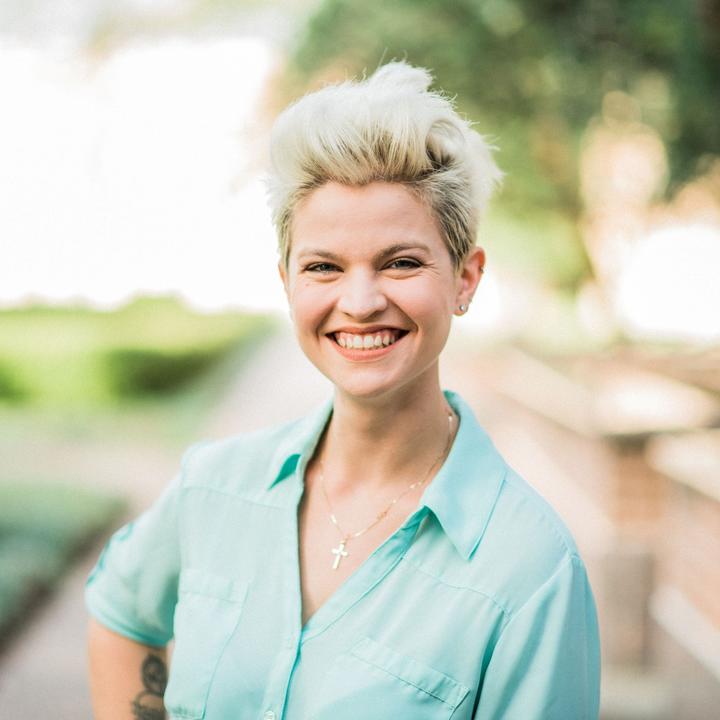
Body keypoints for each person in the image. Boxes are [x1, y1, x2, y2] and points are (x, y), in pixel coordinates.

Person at [86, 61, 600, 719]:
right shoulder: (212, 487)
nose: (359, 302)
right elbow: (121, 613)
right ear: (287, 282)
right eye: (324, 267)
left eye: (401, 262)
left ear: (465, 278)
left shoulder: (530, 570)